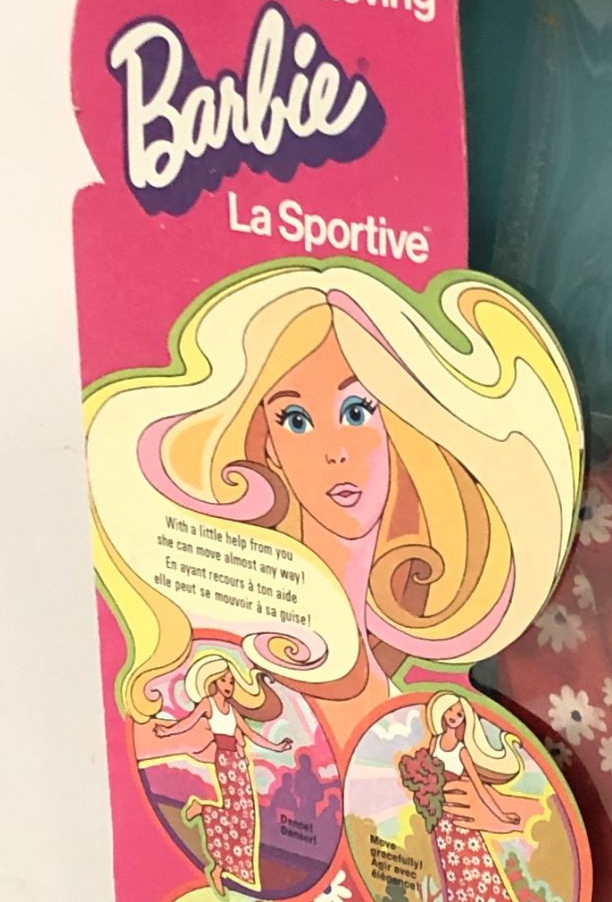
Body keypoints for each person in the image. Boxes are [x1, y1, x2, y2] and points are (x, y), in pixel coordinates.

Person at [85, 266, 583, 755]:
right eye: (295, 420)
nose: (335, 452)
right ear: (267, 443)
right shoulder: (223, 664)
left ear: (401, 423)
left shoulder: (430, 703)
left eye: (357, 412)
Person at [407, 693, 530, 902]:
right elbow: (426, 777)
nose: (454, 717)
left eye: (459, 713)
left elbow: (479, 787)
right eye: (450, 712)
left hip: (462, 824)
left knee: (475, 883)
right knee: (455, 887)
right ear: (441, 713)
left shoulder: (462, 750)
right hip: (441, 825)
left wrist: (501, 815)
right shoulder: (435, 742)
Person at [153, 652, 290, 895]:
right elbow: (188, 722)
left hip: (239, 763)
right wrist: (168, 731)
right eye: (224, 680)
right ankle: (204, 811)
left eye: (231, 682)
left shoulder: (232, 710)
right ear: (214, 681)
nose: (228, 686)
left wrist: (277, 747)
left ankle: (221, 868)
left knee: (246, 818)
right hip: (225, 761)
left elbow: (250, 734)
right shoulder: (208, 704)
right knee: (235, 812)